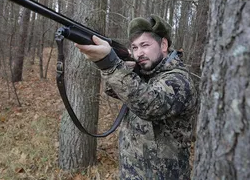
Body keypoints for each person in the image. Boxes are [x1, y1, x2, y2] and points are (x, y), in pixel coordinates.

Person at [75, 15, 197, 180]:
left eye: (145, 45)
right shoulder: (147, 74)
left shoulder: (178, 80)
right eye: (135, 47)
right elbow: (113, 90)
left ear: (163, 45)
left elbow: (149, 104)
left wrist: (110, 63)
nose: (139, 53)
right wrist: (122, 67)